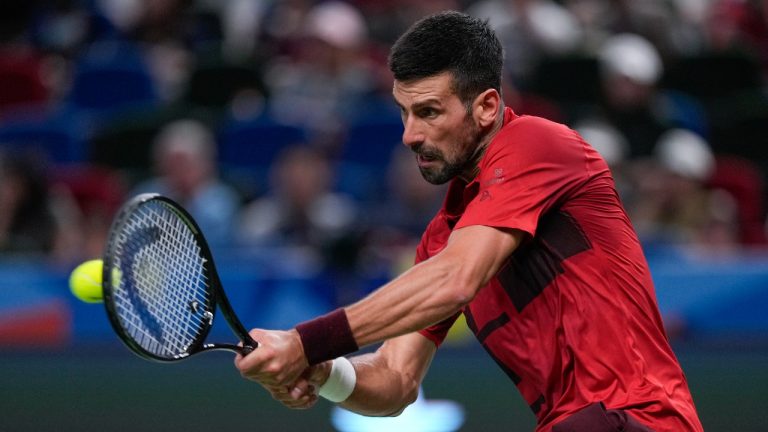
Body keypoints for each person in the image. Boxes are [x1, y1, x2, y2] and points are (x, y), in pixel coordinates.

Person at [234, 11, 703, 432]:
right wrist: (328, 372)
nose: (409, 135)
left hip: (639, 418)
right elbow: (396, 380)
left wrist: (305, 340)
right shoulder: (443, 239)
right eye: (404, 112)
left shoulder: (538, 144)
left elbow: (457, 279)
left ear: (486, 107)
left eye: (429, 112)